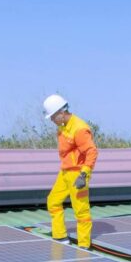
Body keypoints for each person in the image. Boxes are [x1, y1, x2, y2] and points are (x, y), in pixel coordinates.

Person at [44, 94, 98, 249]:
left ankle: (83, 246)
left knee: (81, 211)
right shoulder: (63, 127)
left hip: (78, 174)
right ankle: (60, 237)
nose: (53, 121)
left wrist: (84, 174)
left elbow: (92, 152)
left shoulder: (79, 128)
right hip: (65, 172)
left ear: (61, 113)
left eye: (53, 117)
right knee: (53, 201)